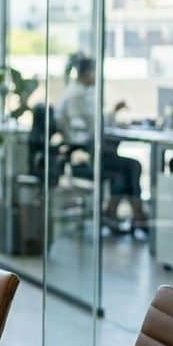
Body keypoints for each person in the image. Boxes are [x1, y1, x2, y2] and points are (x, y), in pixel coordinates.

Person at [56, 55, 149, 231]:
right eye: (94, 73)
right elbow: (87, 129)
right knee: (131, 167)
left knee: (128, 168)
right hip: (84, 155)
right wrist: (112, 115)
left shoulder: (80, 92)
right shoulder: (76, 95)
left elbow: (91, 123)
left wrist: (112, 115)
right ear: (88, 73)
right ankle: (133, 215)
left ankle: (124, 214)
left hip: (88, 150)